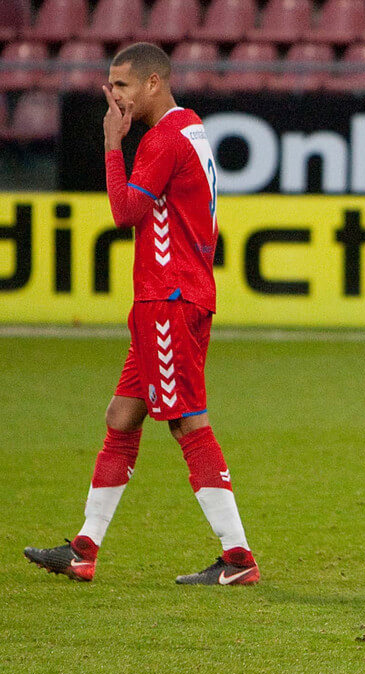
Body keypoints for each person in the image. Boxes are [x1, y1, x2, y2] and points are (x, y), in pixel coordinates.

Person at [23, 43, 259, 586]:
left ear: (154, 83)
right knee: (121, 417)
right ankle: (85, 547)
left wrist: (112, 146)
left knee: (187, 421)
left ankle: (238, 557)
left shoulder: (159, 141)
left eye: (122, 85)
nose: (114, 96)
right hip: (175, 295)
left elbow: (126, 212)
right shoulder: (192, 128)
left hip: (168, 299)